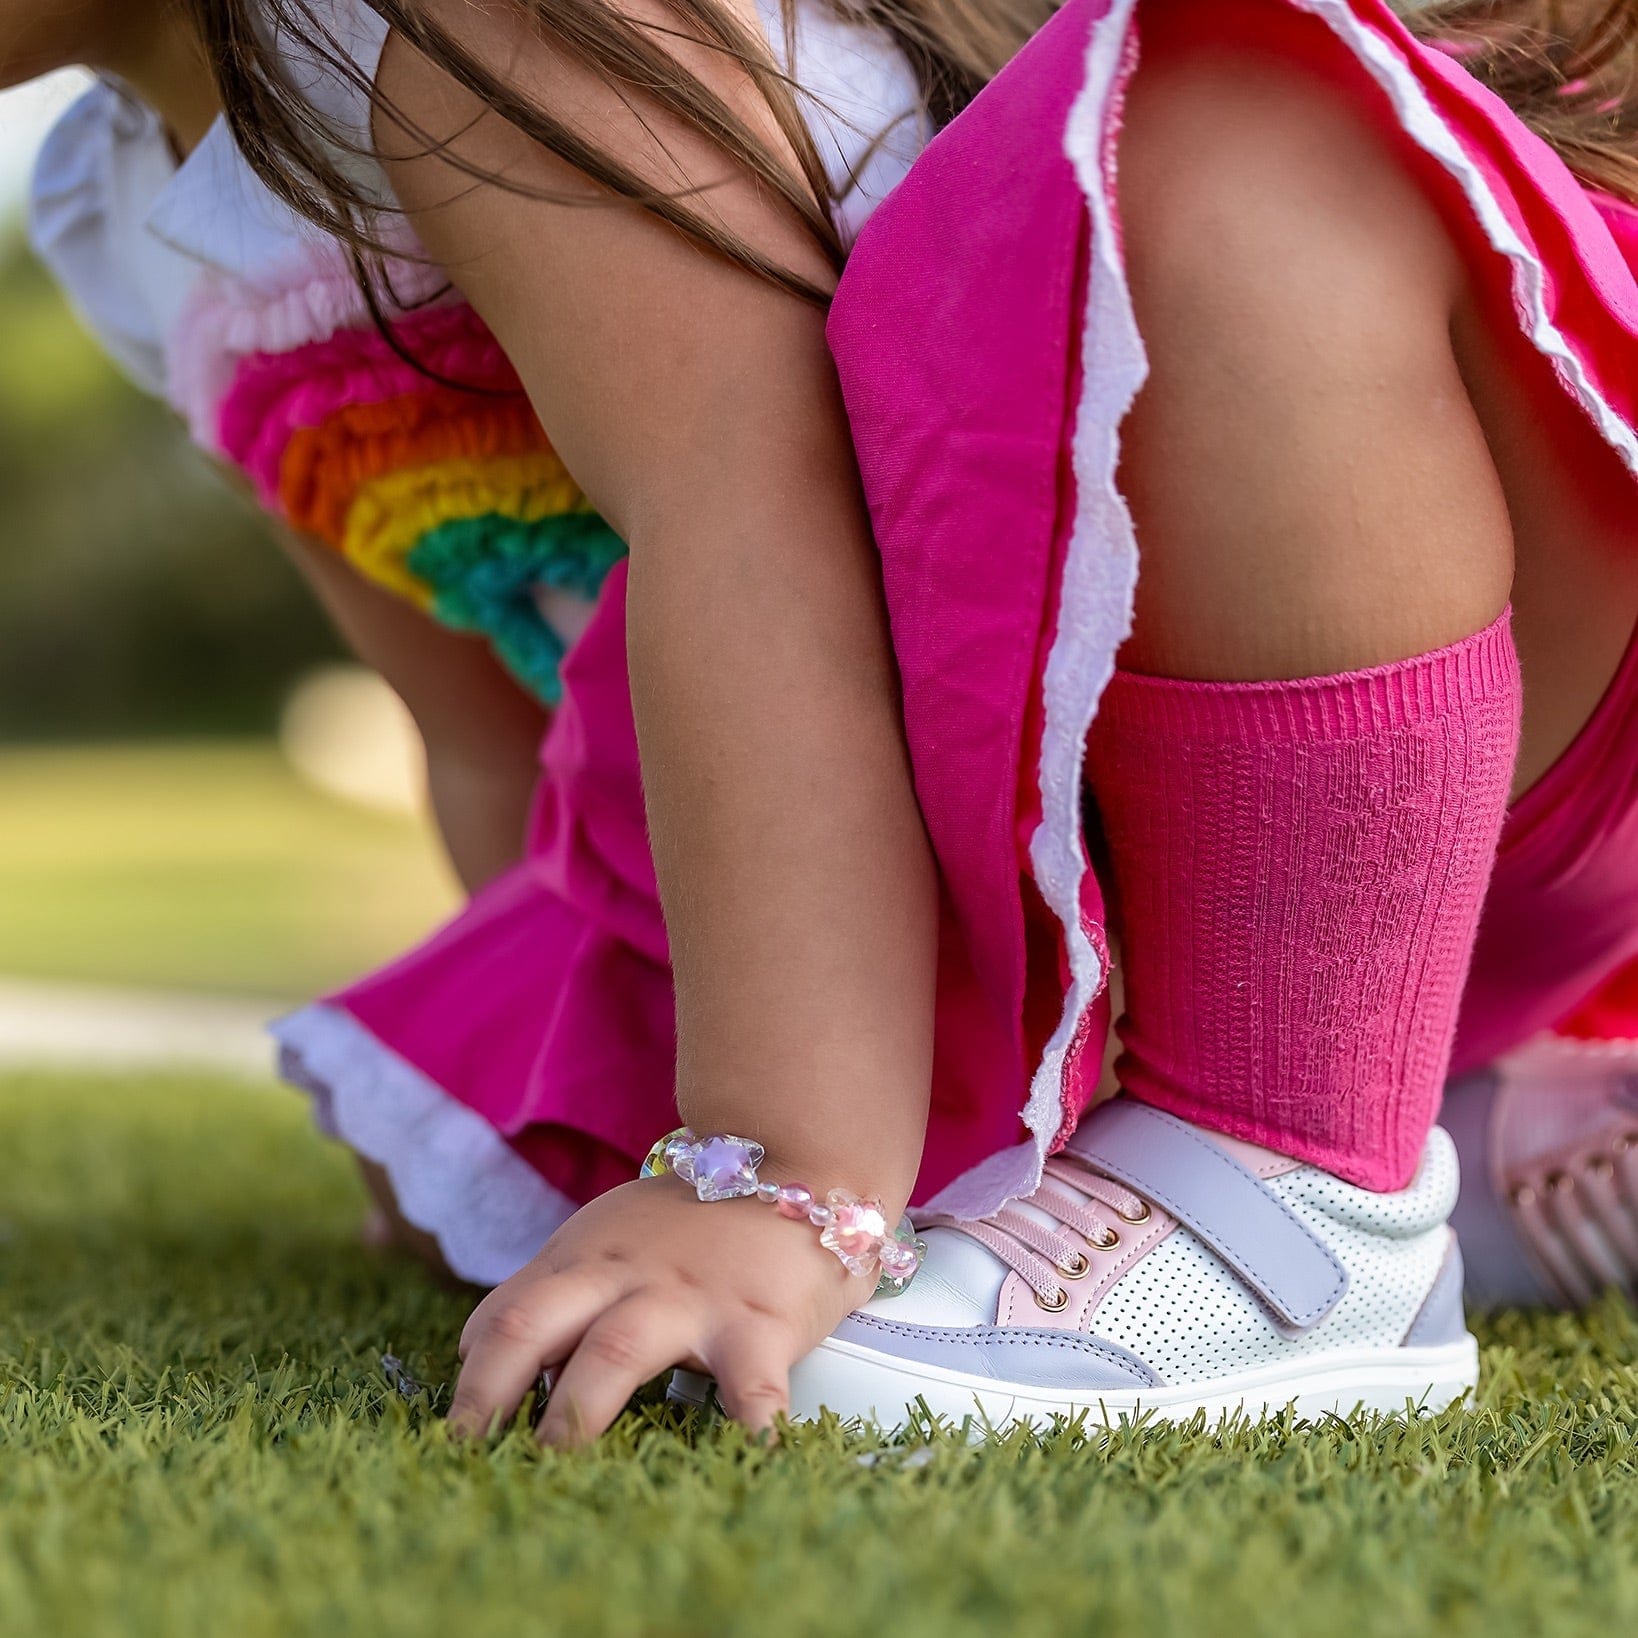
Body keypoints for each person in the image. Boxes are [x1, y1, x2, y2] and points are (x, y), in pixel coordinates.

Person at [9, 0, 1636, 1443]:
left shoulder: (435, 29)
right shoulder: (121, 218)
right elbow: (485, 729)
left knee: (1239, 124)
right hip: (975, 847)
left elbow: (752, 503)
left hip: (1309, 712)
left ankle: (1297, 1158)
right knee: (442, 1146)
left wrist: (780, 1165)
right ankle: (1461, 1135)